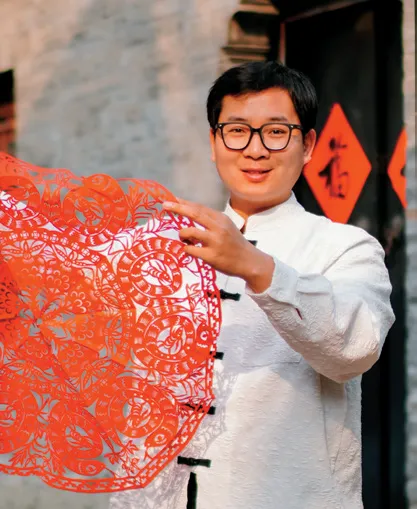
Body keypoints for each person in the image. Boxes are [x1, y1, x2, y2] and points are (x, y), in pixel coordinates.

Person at [110, 61, 395, 509]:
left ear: (308, 145)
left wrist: (257, 268)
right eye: (237, 131)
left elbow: (355, 348)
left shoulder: (346, 247)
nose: (255, 150)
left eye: (276, 132)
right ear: (214, 142)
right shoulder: (158, 247)